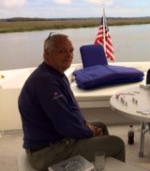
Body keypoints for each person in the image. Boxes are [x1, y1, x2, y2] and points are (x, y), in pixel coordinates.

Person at [18, 33, 125, 170]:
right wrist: (89, 132)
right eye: (62, 51)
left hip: (57, 139)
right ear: (47, 54)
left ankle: (100, 166)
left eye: (71, 50)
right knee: (116, 144)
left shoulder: (55, 74)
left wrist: (85, 125)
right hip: (47, 151)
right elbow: (65, 124)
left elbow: (69, 112)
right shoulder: (46, 82)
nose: (69, 55)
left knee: (101, 125)